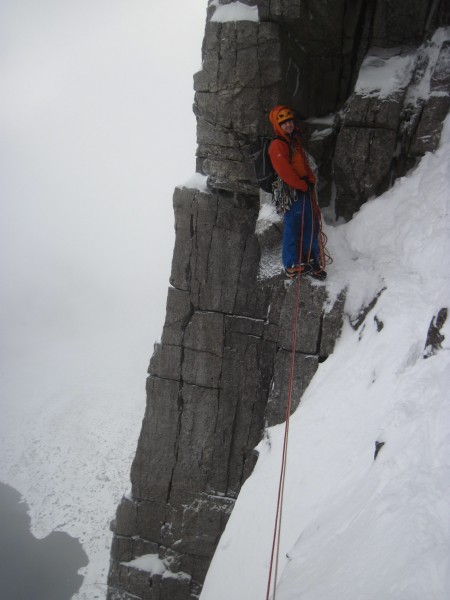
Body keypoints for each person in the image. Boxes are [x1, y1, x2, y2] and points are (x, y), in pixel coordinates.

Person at [268, 105, 327, 280]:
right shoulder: (277, 145)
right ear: (278, 126)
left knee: (312, 224)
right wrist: (302, 185)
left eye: (290, 121)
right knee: (294, 225)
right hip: (293, 192)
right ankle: (292, 263)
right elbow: (284, 171)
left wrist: (310, 180)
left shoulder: (294, 142)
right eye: (284, 123)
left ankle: (311, 260)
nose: (288, 125)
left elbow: (303, 165)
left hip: (303, 189)